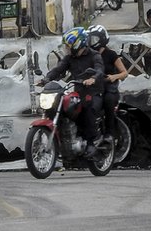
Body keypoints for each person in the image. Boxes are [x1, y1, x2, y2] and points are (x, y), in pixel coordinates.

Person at [41, 27, 104, 158]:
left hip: (94, 92)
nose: (67, 48)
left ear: (77, 44)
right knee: (63, 107)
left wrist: (93, 78)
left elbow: (99, 69)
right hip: (78, 91)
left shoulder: (94, 55)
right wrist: (46, 79)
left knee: (88, 107)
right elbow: (58, 69)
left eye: (68, 46)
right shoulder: (69, 58)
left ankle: (92, 142)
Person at [86, 25, 128, 143]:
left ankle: (110, 133)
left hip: (109, 89)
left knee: (108, 100)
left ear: (102, 39)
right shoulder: (89, 55)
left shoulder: (111, 54)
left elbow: (124, 73)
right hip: (94, 88)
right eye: (88, 39)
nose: (90, 42)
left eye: (93, 39)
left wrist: (114, 77)